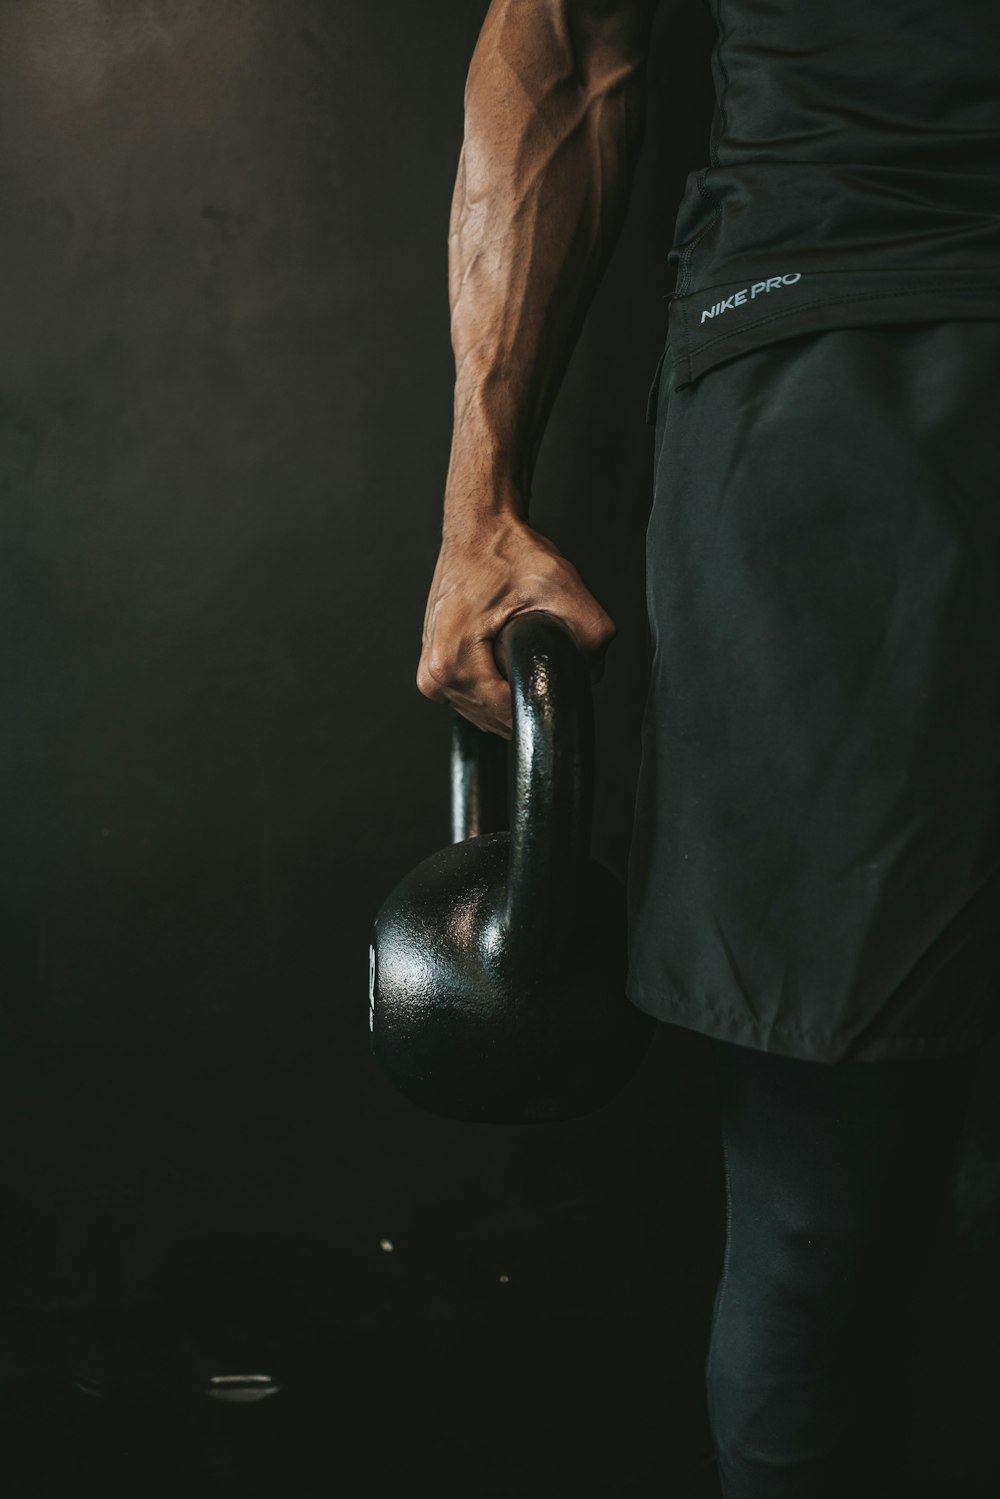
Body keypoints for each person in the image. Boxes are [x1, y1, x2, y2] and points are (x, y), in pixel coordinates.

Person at [416, 2, 1000, 1493]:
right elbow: (566, 39)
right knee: (824, 1214)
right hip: (839, 379)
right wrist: (479, 508)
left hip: (817, 374)